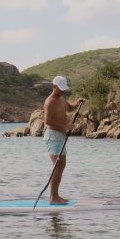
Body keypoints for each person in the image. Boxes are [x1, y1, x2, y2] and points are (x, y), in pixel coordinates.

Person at [42, 75, 85, 204]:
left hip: (60, 135)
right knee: (57, 166)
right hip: (53, 135)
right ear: (54, 86)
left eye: (63, 89)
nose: (62, 91)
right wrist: (65, 126)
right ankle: (53, 198)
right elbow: (47, 121)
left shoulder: (61, 98)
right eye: (60, 88)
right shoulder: (49, 102)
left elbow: (69, 108)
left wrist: (77, 102)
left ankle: (56, 196)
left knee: (62, 165)